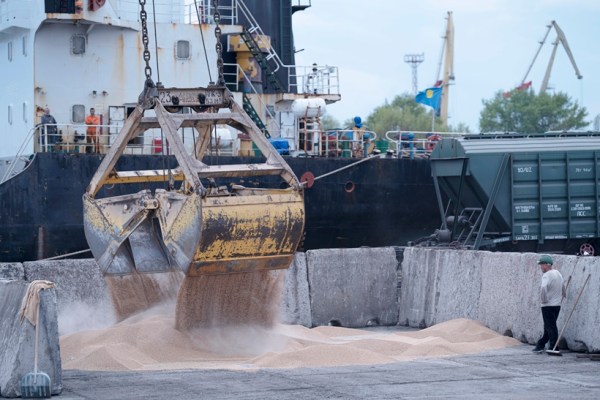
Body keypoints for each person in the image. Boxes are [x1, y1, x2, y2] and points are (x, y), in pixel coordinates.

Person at [532, 254, 565, 353]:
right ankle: (541, 344)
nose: (541, 267)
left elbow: (543, 288)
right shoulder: (558, 273)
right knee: (548, 326)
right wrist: (564, 294)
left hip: (547, 306)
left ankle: (554, 347)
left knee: (551, 326)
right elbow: (563, 285)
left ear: (547, 264)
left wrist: (544, 300)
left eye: (542, 264)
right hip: (557, 305)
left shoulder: (546, 275)